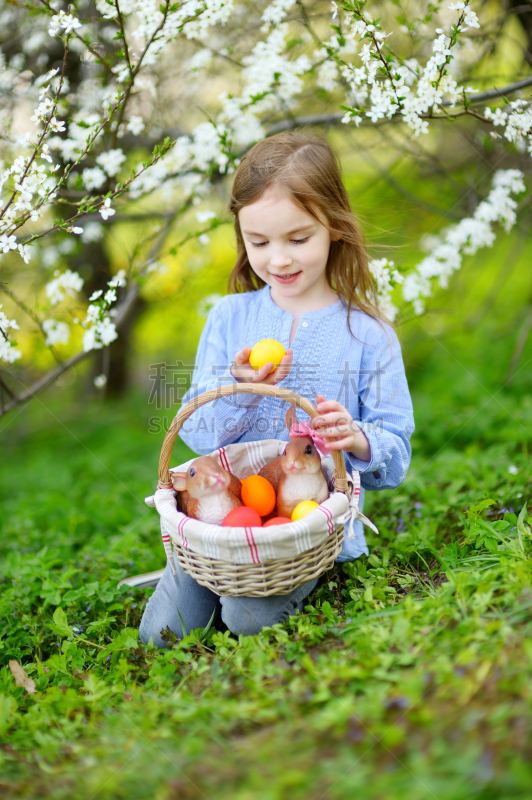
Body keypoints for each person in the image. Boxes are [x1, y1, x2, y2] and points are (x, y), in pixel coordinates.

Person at [139, 131, 414, 648]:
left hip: (306, 530)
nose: (279, 260)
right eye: (259, 243)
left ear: (333, 226)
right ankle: (198, 577)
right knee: (163, 635)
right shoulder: (229, 317)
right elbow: (198, 434)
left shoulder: (369, 334)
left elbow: (396, 454)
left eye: (298, 238)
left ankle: (261, 591)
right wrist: (240, 389)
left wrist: (355, 437)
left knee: (245, 619)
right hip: (223, 523)